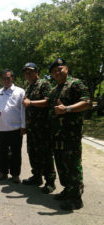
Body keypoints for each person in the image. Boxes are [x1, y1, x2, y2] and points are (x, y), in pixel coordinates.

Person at [48, 58, 90, 210]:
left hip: (70, 135)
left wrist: (67, 109)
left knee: (72, 165)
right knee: (61, 165)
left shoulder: (76, 84)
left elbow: (86, 102)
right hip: (57, 135)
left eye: (60, 69)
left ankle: (76, 198)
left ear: (66, 68)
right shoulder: (54, 90)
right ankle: (68, 189)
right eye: (54, 71)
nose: (57, 73)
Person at [21, 63, 56, 194]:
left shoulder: (44, 84)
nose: (28, 75)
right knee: (33, 153)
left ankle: (50, 181)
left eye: (30, 72)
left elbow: (48, 101)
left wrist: (31, 102)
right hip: (32, 128)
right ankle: (36, 177)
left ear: (37, 72)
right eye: (26, 73)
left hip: (43, 127)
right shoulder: (29, 87)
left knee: (45, 154)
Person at [0, 69, 25, 184]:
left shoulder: (20, 91)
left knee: (16, 153)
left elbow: (23, 110)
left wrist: (23, 126)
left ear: (12, 78)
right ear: (1, 80)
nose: (6, 80)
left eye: (8, 78)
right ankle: (3, 172)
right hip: (2, 128)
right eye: (4, 78)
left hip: (15, 129)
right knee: (2, 153)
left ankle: (15, 175)